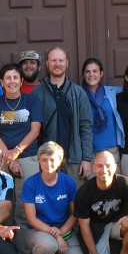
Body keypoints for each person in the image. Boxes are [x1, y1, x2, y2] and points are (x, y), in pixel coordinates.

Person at [74, 150, 128, 254]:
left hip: (116, 224)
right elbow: (84, 228)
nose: (104, 170)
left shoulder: (125, 183)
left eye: (108, 165)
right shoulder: (84, 192)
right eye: (99, 166)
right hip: (95, 230)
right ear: (94, 168)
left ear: (116, 166)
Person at [0, 62, 43, 220]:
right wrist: (9, 157)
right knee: (4, 203)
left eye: (15, 77)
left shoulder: (31, 101)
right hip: (1, 159)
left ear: (21, 81)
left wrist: (16, 153)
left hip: (28, 157)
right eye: (8, 78)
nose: (12, 81)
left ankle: (24, 243)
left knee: (26, 205)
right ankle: (6, 241)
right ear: (2, 82)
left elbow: (35, 130)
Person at [21, 142, 85, 254]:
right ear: (39, 160)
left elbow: (75, 213)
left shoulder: (68, 182)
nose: (48, 164)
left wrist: (61, 232)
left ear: (60, 160)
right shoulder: (30, 184)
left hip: (64, 230)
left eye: (52, 160)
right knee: (47, 245)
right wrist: (56, 236)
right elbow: (31, 219)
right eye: (44, 160)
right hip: (39, 230)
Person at [33, 47, 93, 182]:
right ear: (47, 64)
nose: (57, 64)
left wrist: (87, 159)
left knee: (76, 200)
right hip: (48, 160)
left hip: (74, 160)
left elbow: (86, 128)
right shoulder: (37, 93)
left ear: (67, 63)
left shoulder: (78, 93)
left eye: (61, 60)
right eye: (53, 60)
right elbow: (33, 130)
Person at [81, 58, 125, 175]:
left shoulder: (112, 92)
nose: (91, 75)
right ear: (83, 75)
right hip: (88, 153)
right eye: (88, 71)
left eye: (95, 71)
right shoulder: (79, 94)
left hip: (111, 150)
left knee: (113, 188)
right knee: (92, 190)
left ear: (101, 73)